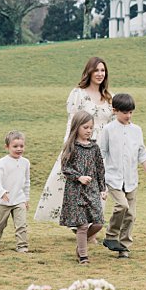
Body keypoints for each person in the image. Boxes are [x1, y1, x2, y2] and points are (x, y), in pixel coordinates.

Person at [34, 56, 113, 224]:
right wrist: (68, 145)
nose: (100, 74)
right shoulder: (78, 94)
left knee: (97, 184)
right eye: (96, 70)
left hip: (100, 148)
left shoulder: (108, 96)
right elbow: (72, 121)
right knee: (75, 182)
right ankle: (77, 222)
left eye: (103, 70)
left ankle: (93, 225)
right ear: (89, 72)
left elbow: (112, 124)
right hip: (81, 145)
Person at [99, 92, 146, 259]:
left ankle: (123, 247)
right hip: (113, 177)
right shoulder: (109, 130)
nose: (128, 116)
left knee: (131, 214)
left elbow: (142, 154)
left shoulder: (137, 130)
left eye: (131, 112)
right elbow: (101, 153)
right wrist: (99, 177)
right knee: (122, 206)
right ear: (115, 110)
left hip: (131, 179)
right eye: (125, 112)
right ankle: (110, 236)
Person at [59, 110, 107, 264]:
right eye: (85, 127)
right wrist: (79, 177)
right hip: (76, 192)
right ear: (77, 127)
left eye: (91, 127)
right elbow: (65, 167)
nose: (89, 130)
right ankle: (84, 257)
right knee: (82, 225)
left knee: (98, 222)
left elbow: (100, 169)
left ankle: (81, 246)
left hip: (92, 190)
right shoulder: (71, 146)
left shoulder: (94, 148)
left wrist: (102, 188)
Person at [0, 130, 30, 252]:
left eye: (21, 146)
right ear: (7, 147)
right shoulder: (3, 162)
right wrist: (2, 192)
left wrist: (26, 198)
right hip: (4, 201)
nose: (19, 149)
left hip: (19, 200)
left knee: (21, 224)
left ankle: (22, 246)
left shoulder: (25, 163)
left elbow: (27, 182)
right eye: (15, 146)